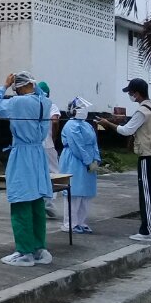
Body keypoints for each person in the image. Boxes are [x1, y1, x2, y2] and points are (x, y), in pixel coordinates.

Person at [0, 71, 54, 267]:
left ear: (20, 86)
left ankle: (25, 252)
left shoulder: (19, 103)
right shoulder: (45, 102)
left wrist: (4, 86)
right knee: (36, 203)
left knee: (21, 200)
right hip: (38, 153)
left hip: (23, 153)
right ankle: (39, 248)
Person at [97, 78, 151, 242]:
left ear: (137, 93)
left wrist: (108, 123)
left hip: (148, 156)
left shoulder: (141, 112)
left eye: (130, 93)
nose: (130, 95)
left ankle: (148, 230)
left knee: (147, 193)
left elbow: (126, 130)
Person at [59, 97, 101, 234]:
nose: (84, 111)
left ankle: (81, 222)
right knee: (74, 192)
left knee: (86, 193)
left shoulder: (87, 125)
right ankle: (70, 223)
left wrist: (96, 159)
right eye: (80, 108)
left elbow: (94, 143)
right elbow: (77, 146)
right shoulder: (71, 126)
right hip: (74, 160)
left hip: (87, 160)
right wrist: (88, 161)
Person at [37, 81, 61, 219]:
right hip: (48, 143)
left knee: (38, 172)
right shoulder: (51, 105)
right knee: (54, 173)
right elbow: (55, 121)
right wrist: (54, 135)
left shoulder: (33, 104)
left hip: (34, 144)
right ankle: (48, 201)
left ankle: (38, 201)